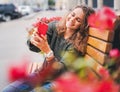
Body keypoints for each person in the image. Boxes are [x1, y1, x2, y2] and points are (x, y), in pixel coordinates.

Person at [2, 5, 95, 92]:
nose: (72, 19)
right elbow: (35, 48)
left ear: (83, 26)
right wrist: (34, 39)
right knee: (8, 90)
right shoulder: (54, 27)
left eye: (78, 20)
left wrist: (48, 52)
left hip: (59, 82)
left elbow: (60, 71)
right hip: (43, 74)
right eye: (72, 14)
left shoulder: (77, 45)